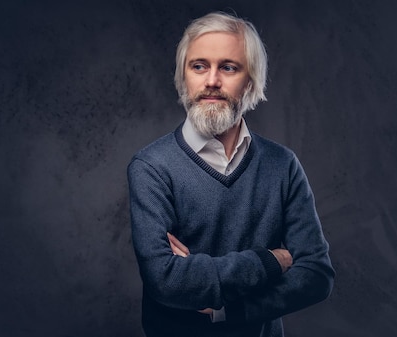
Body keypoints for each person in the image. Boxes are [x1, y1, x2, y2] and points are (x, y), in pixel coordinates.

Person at [127, 12, 335, 337]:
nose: (211, 80)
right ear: (184, 78)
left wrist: (228, 309)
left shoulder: (282, 165)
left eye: (228, 67)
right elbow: (166, 281)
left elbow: (317, 276)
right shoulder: (151, 167)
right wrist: (270, 261)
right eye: (199, 66)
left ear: (251, 80)